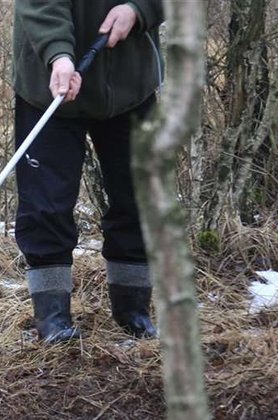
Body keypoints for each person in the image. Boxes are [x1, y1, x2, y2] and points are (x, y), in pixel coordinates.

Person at [12, 1, 164, 344]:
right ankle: (53, 319)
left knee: (140, 198)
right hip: (48, 85)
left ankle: (133, 311)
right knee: (45, 206)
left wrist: (139, 9)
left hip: (131, 84)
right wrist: (58, 55)